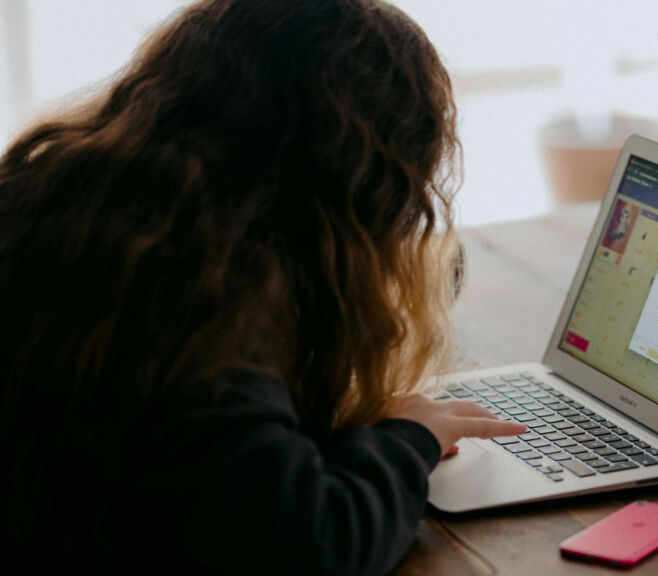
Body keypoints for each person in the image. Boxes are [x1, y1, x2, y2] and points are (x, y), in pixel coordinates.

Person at [0, 0, 525, 573]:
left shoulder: (64, 200)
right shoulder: (202, 302)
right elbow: (303, 546)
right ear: (360, 184)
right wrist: (408, 439)